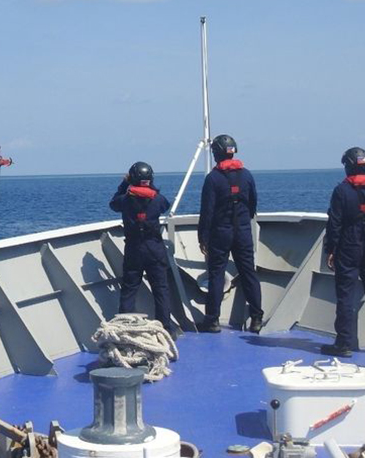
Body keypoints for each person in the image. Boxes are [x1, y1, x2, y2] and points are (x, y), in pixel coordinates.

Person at [321, 147, 365, 357]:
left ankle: (343, 344)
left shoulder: (341, 191)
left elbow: (335, 223)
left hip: (348, 244)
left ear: (348, 166)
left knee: (345, 295)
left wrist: (330, 250)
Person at [196, 134, 264, 334]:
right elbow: (252, 204)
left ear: (216, 153)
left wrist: (203, 238)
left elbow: (207, 211)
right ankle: (257, 318)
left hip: (221, 232)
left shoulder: (213, 178)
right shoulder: (247, 175)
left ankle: (212, 320)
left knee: (216, 274)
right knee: (248, 272)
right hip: (242, 230)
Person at [110, 162, 182, 339]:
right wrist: (150, 185)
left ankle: (125, 328)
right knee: (161, 289)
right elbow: (165, 204)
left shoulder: (125, 200)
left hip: (134, 249)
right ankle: (165, 329)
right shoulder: (157, 200)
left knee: (129, 289)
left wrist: (125, 184)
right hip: (154, 249)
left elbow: (113, 203)